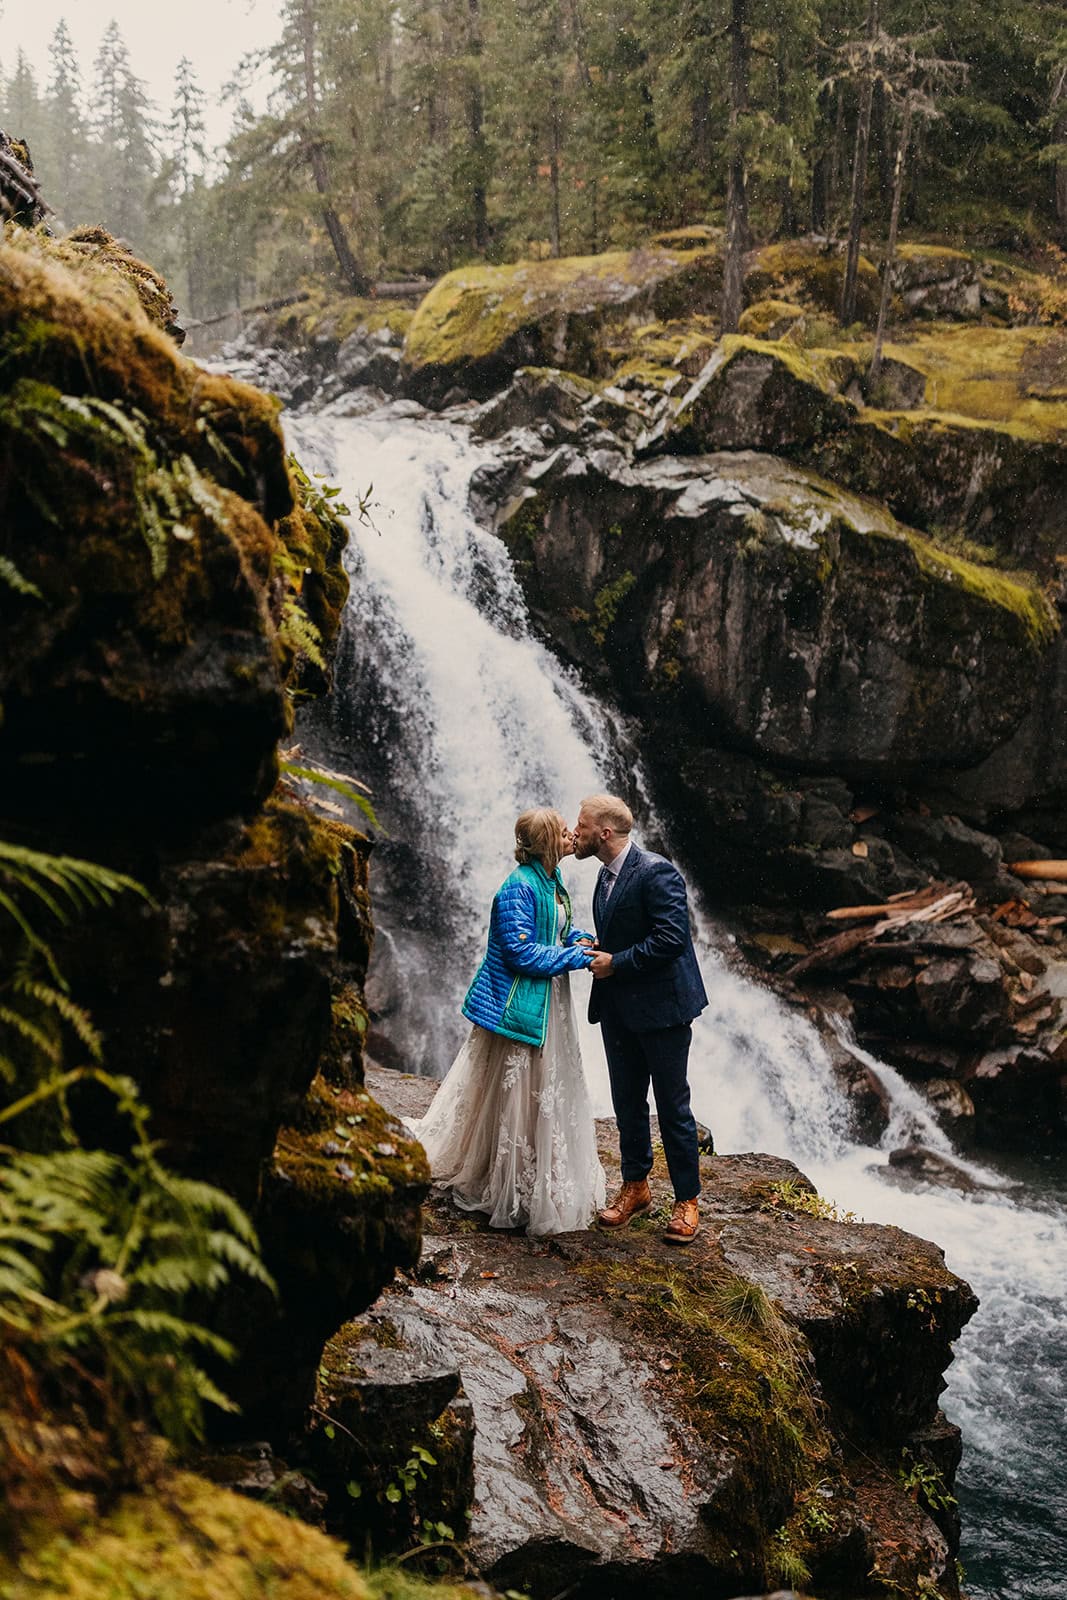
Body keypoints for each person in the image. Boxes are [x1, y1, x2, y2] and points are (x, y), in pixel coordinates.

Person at [410, 808, 606, 1236]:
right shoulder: (517, 887)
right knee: (516, 1089)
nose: (573, 834)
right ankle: (506, 1180)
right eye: (563, 831)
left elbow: (557, 929)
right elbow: (520, 954)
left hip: (548, 1002)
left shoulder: (552, 879)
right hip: (521, 1003)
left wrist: (578, 939)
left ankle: (537, 1173)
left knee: (542, 1086)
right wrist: (575, 957)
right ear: (547, 842)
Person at [572, 794, 708, 1245]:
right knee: (627, 1102)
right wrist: (598, 945)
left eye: (583, 825)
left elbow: (672, 939)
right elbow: (625, 933)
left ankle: (687, 1200)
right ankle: (636, 1187)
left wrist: (616, 962)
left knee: (673, 1106)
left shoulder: (656, 871)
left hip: (663, 1010)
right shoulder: (603, 874)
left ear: (604, 833)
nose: (576, 832)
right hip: (617, 1009)